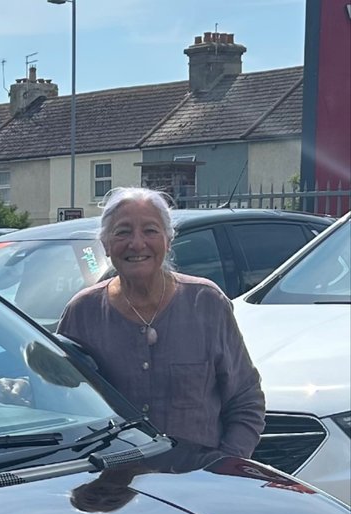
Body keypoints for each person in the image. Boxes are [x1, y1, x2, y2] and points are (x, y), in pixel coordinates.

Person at [57, 187, 265, 458]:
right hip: (115, 487)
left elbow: (245, 400)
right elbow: (63, 399)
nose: (137, 243)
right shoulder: (83, 312)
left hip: (196, 484)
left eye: (150, 230)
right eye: (123, 232)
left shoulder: (206, 302)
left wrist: (225, 468)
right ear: (106, 244)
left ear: (168, 240)